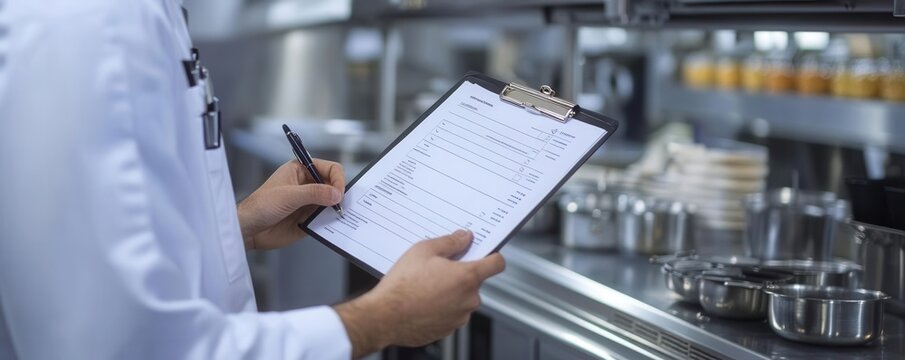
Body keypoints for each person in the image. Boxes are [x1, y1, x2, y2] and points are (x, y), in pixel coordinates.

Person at [0, 0, 505, 359]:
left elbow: (95, 245)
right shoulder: (89, 24)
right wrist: (380, 318)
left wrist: (234, 229)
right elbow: (131, 348)